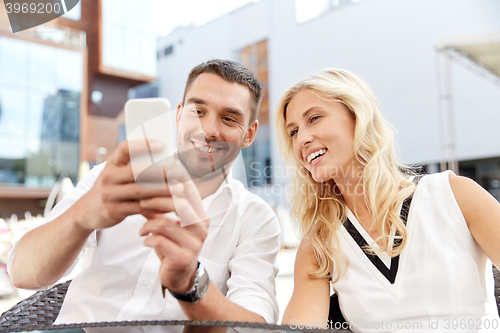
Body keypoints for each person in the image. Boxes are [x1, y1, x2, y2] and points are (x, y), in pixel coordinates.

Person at [8, 59, 281, 324]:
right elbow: (22, 273)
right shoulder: (111, 179)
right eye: (197, 111)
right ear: (178, 115)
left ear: (249, 134)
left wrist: (191, 282)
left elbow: (254, 325)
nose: (208, 130)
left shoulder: (254, 219)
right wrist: (82, 216)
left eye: (229, 118)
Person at [274, 68, 500, 332]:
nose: (302, 138)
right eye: (293, 132)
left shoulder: (454, 195)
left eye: (314, 118)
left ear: (357, 116)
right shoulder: (319, 243)